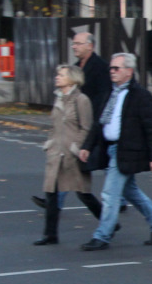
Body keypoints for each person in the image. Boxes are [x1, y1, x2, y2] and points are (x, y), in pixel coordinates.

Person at [78, 53, 152, 250]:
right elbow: (98, 124)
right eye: (110, 68)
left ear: (129, 71)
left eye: (116, 68)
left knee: (110, 194)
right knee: (131, 192)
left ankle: (102, 236)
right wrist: (87, 146)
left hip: (127, 150)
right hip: (110, 149)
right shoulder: (109, 93)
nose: (111, 71)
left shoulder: (141, 96)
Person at [34, 65, 104, 245]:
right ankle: (50, 235)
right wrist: (49, 145)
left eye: (61, 75)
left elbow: (87, 128)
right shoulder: (58, 98)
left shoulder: (81, 100)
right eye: (57, 74)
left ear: (72, 79)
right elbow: (54, 126)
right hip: (56, 155)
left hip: (73, 156)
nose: (57, 77)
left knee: (83, 194)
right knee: (51, 193)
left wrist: (76, 148)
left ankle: (108, 223)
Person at [71, 31, 110, 113]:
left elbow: (102, 95)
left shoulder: (101, 66)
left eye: (78, 44)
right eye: (73, 44)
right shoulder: (75, 67)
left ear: (90, 46)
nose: (74, 47)